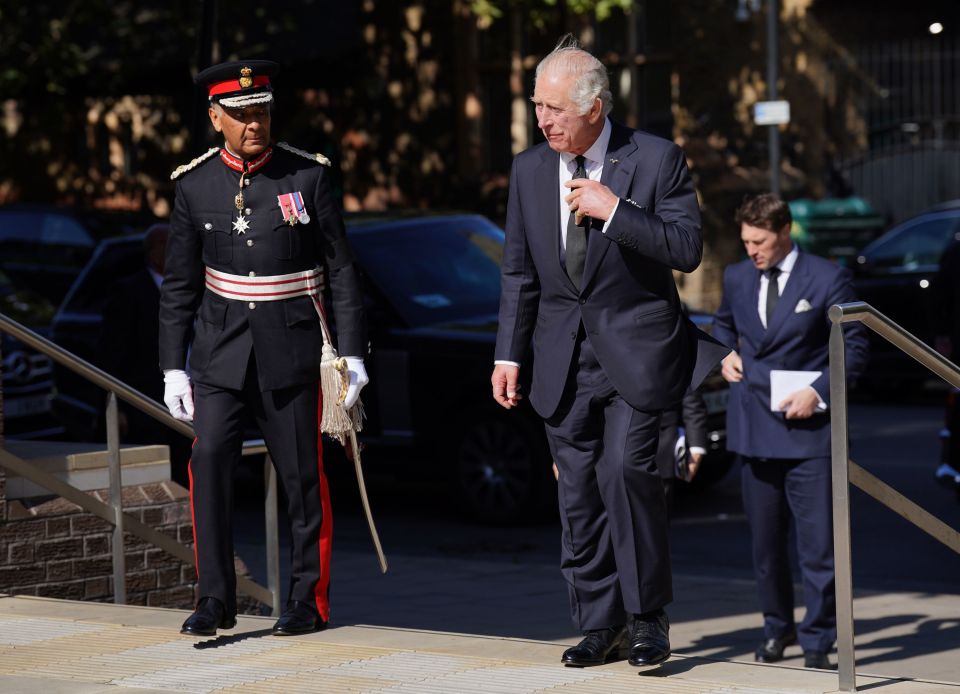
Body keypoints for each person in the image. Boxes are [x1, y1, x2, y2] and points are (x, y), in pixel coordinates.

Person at [491, 36, 727, 669]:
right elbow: (519, 273)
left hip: (639, 354)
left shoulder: (654, 160)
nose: (544, 119)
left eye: (555, 109)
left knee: (627, 476)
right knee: (577, 495)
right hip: (560, 359)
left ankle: (648, 618)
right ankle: (600, 625)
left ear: (594, 107)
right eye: (537, 105)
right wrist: (507, 355)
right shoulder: (529, 169)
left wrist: (616, 210)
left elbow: (685, 249)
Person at [159, 60, 368, 637]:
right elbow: (179, 283)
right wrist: (173, 367)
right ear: (214, 118)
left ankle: (308, 602)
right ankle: (213, 599)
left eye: (262, 111)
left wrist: (352, 353)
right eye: (241, 114)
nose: (254, 123)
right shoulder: (194, 184)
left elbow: (341, 270)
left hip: (292, 346)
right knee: (208, 463)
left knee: (304, 477)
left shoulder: (308, 177)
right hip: (221, 353)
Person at [712, 193, 868, 670]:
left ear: (784, 233)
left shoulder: (826, 276)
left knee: (819, 548)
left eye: (759, 241)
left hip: (810, 432)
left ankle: (819, 640)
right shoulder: (738, 277)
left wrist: (819, 391)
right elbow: (721, 326)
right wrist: (723, 354)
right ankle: (776, 629)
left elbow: (856, 347)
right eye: (745, 242)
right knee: (766, 547)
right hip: (755, 426)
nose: (752, 251)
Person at [98, 224, 192, 487]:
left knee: (188, 469)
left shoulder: (189, 287)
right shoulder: (129, 292)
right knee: (158, 474)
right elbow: (113, 351)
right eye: (171, 246)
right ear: (154, 253)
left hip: (190, 397)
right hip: (146, 402)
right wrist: (117, 404)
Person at [655, 389, 708, 510]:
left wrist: (696, 446)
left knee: (655, 522)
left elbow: (688, 387)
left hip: (662, 448)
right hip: (610, 449)